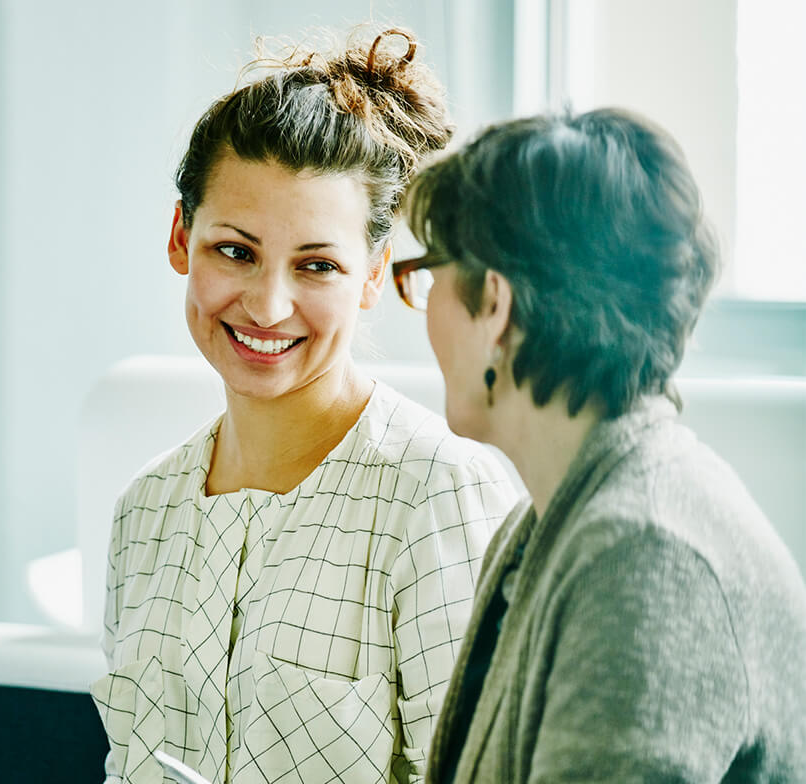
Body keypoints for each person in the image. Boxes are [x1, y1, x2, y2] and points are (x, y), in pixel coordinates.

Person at [89, 27, 518, 784]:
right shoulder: (144, 511)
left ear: (372, 274)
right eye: (235, 251)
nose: (267, 304)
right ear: (181, 238)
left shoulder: (439, 497)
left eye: (316, 265)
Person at [392, 108, 806, 782]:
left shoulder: (646, 556)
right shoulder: (558, 520)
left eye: (426, 274)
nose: (425, 306)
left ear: (494, 306)